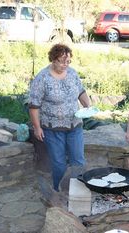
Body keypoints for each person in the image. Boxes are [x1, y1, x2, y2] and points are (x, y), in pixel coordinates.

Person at [28, 43, 90, 192]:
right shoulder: (42, 78)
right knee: (59, 164)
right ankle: (59, 192)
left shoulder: (73, 73)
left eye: (68, 61)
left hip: (74, 125)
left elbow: (81, 92)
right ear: (53, 59)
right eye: (61, 61)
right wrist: (37, 127)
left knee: (78, 161)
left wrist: (88, 105)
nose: (65, 65)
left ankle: (78, 191)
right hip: (52, 128)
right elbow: (33, 106)